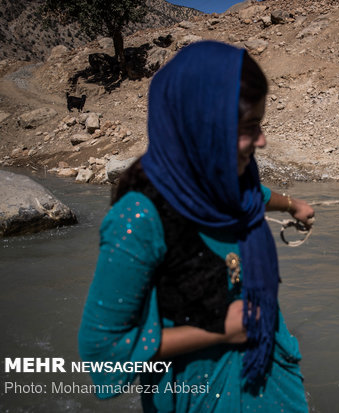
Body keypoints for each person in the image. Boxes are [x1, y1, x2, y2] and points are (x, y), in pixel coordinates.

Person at [78, 40, 314, 412]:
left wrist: (293, 205)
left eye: (260, 124)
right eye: (249, 127)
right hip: (198, 394)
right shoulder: (138, 218)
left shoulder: (231, 179)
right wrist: (218, 330)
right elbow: (102, 352)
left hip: (270, 371)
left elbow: (254, 193)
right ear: (202, 128)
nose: (262, 141)